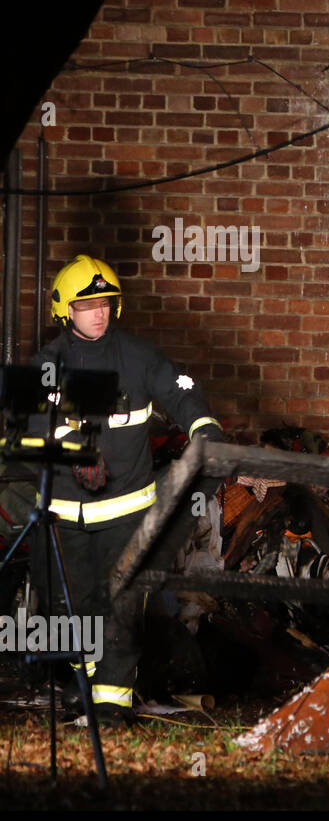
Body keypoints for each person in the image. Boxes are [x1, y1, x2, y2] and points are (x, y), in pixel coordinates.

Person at [29, 254, 224, 726]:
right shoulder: (46, 366)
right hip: (64, 518)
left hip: (126, 512)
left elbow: (180, 389)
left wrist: (204, 428)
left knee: (121, 603)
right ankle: (88, 686)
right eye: (86, 304)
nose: (99, 312)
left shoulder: (139, 358)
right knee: (68, 607)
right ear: (63, 310)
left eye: (106, 303)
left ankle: (112, 705)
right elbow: (33, 423)